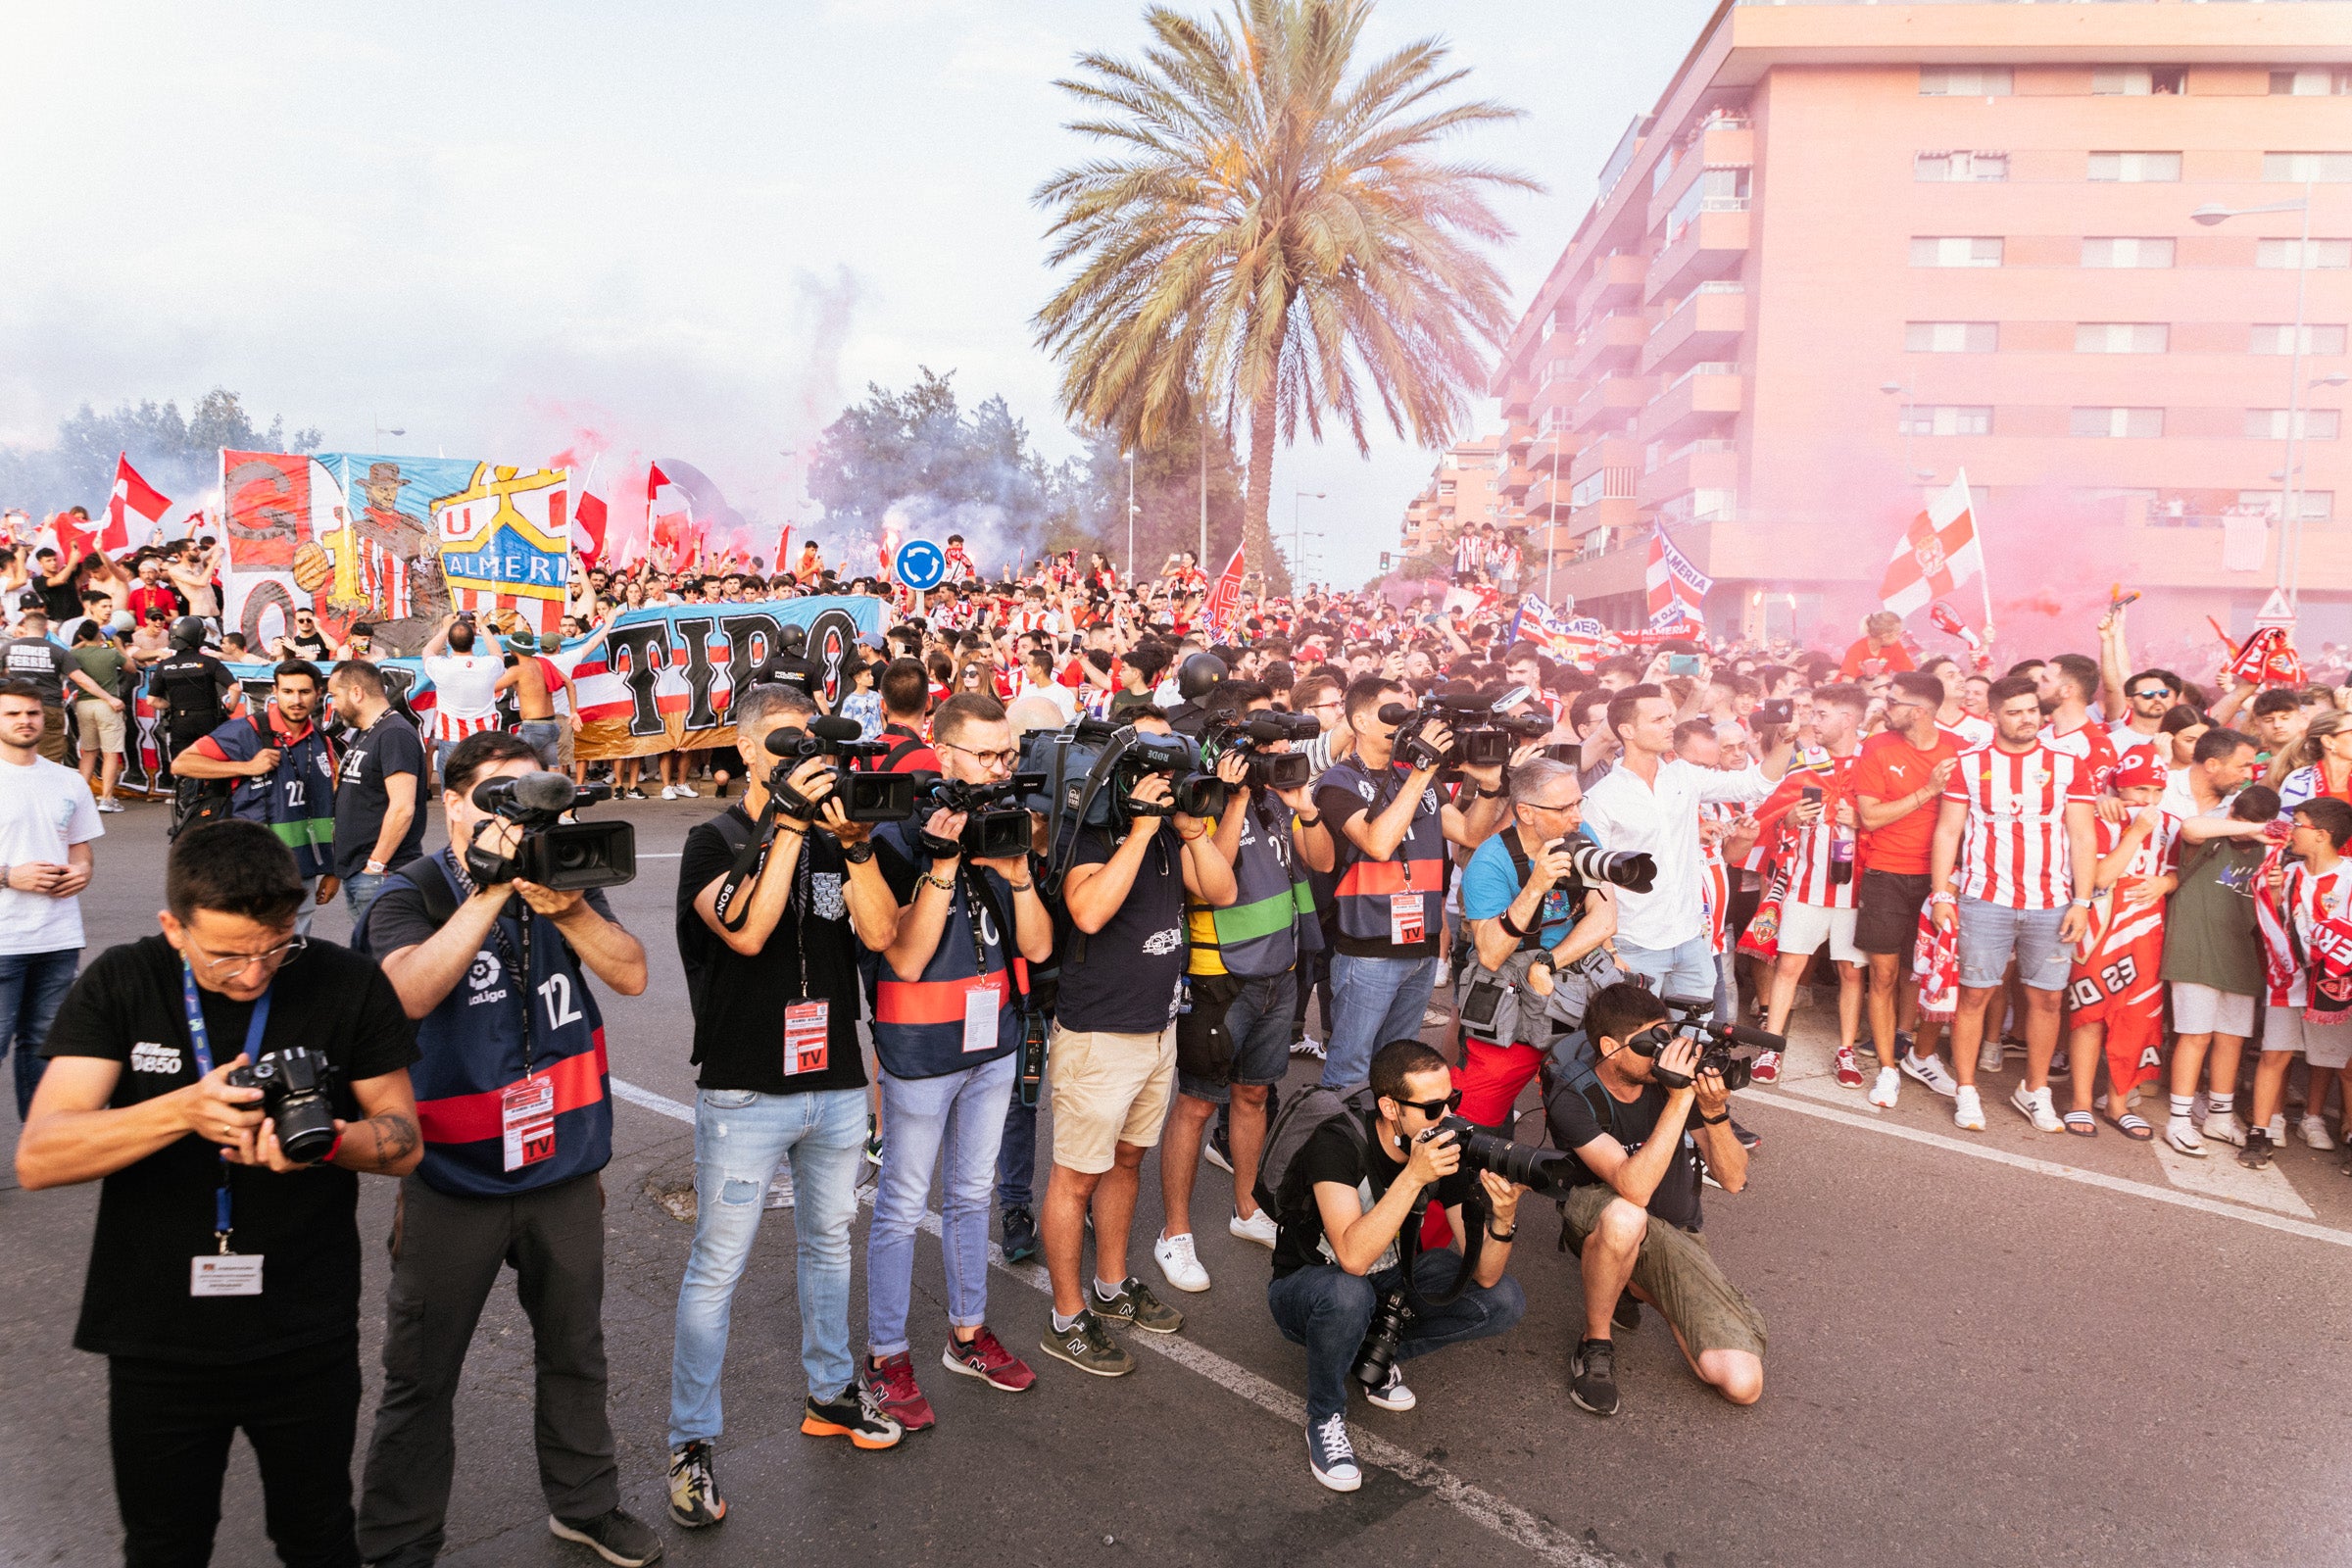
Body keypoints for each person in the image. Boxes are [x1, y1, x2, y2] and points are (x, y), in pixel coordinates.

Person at [17, 819, 421, 1568]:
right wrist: (182, 1110)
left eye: (274, 945)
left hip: (305, 1326)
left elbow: (403, 1138)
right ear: (174, 928)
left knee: (320, 1535)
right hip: (156, 1330)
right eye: (227, 954)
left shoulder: (342, 980)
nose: (253, 972)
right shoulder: (123, 979)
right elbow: (41, 1155)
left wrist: (330, 1142)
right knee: (165, 1544)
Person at [354, 731, 661, 1568]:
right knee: (422, 1374)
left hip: (561, 1168)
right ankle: (398, 1544)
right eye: (501, 798)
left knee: (576, 1350)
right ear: (452, 804)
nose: (525, 818)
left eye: (537, 797)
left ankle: (586, 1506)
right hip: (450, 1179)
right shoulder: (408, 892)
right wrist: (488, 891)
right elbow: (405, 993)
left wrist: (567, 908)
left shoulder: (564, 876)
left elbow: (631, 973)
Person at [668, 684, 907, 1530]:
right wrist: (792, 824)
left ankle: (832, 1394)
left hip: (836, 1081)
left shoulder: (839, 836)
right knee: (717, 1269)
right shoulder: (711, 840)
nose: (799, 755)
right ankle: (690, 1444)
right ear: (742, 752)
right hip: (743, 1090)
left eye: (808, 740)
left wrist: (853, 845)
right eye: (779, 743)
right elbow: (747, 930)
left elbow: (881, 937)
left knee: (828, 1247)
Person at [858, 693, 1053, 1431]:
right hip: (919, 1046)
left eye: (1010, 754)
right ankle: (885, 1354)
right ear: (943, 754)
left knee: (972, 1195)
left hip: (993, 1039)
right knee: (904, 1205)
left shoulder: (1003, 826)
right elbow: (901, 955)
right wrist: (944, 862)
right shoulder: (897, 831)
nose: (1004, 769)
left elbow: (1036, 947)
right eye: (988, 755)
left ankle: (967, 1333)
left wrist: (1019, 872)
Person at [1036, 725, 1237, 1378]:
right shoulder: (1091, 834)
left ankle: (1113, 1285)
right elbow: (1089, 913)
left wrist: (1190, 830)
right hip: (1098, 1034)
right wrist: (1143, 831)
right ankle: (1066, 1316)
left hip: (1155, 1030)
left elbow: (1222, 891)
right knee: (1076, 1177)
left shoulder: (1169, 836)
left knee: (1127, 1161)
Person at [1264, 1037, 1527, 1491]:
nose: (1445, 1117)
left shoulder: (1442, 1147)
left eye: (1452, 1101)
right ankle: (1324, 1415)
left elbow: (1484, 1273)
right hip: (1308, 1289)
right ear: (1390, 1107)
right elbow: (1351, 1257)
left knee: (1502, 1300)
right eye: (1432, 1108)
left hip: (1388, 1279)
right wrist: (1414, 1176)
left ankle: (1370, 1353)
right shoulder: (1338, 1141)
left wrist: (1503, 1220)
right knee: (1350, 1293)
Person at [1156, 697, 1333, 1292]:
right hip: (1219, 976)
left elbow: (1324, 859)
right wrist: (1234, 799)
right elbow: (1217, 883)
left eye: (1286, 753)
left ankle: (1248, 1210)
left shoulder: (1281, 798)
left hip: (1279, 974)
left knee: (1254, 1095)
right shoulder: (1203, 799)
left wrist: (1304, 807)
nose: (1281, 763)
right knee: (1198, 1104)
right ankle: (1173, 1235)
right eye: (1269, 754)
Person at [1548, 982, 1765, 1418]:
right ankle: (1596, 1344)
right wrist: (1680, 1098)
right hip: (1603, 1214)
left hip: (1675, 1232)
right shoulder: (1573, 1097)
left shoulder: (1668, 1084)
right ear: (1610, 1046)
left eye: (1666, 1037)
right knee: (1627, 1216)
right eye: (1650, 1043)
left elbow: (1734, 1178)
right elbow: (1634, 1188)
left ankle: (1632, 1283)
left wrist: (1715, 1112)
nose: (1661, 1054)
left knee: (1742, 1383)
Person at [1310, 677, 1512, 1092]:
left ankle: (1386, 1151)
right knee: (1349, 1071)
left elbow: (1471, 834)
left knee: (1397, 1069)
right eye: (1393, 714)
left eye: (1408, 713)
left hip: (1420, 948)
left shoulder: (1416, 775)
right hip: (1368, 952)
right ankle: (1334, 1152)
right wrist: (1422, 771)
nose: (1404, 723)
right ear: (1361, 720)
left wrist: (1491, 786)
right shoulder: (1338, 781)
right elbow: (1379, 843)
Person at [1927, 675, 2098, 1135]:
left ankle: (2034, 1090)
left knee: (2046, 999)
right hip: (1985, 899)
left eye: (2032, 711)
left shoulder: (2068, 764)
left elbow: (2083, 836)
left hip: (2053, 902)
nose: (2026, 720)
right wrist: (1942, 892)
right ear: (1994, 716)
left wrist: (2082, 900)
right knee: (1975, 995)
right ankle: (1966, 1090)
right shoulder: (1967, 763)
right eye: (2014, 711)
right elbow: (1948, 832)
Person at [1581, 684, 1788, 1001]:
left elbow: (1754, 784)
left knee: (1695, 1041)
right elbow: (1595, 880)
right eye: (1659, 719)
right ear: (1627, 730)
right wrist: (1609, 949)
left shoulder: (1684, 776)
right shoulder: (1601, 798)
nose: (1670, 725)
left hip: (1691, 939)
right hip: (1634, 945)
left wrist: (1786, 740)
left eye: (1669, 717)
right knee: (1638, 1043)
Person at [1455, 757, 1618, 1129]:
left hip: (1570, 979)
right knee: (1472, 1116)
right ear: (1526, 812)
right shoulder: (1489, 861)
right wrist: (1535, 886)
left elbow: (1605, 917)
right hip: (1509, 995)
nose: (1577, 816)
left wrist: (1548, 962)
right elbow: (1492, 954)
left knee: (1598, 1095)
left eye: (1579, 803)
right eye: (1564, 808)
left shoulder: (1580, 833)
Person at [1851, 671, 1963, 1107]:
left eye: (1893, 701)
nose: (1884, 706)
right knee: (1883, 975)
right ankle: (1886, 1068)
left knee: (1930, 974)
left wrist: (1950, 882)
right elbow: (1871, 817)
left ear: (1919, 711)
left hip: (1940, 879)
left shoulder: (1959, 751)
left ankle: (1921, 1054)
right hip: (1885, 873)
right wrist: (1927, 790)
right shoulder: (1878, 746)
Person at [1752, 683, 1869, 1087]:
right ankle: (1771, 1044)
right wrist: (1789, 820)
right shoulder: (1803, 765)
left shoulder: (1872, 764)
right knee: (1789, 967)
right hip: (1805, 884)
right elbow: (1768, 819)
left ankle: (1846, 1050)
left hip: (1857, 892)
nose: (1811, 721)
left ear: (1848, 719)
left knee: (1852, 973)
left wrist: (1863, 822)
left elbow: (1894, 820)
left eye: (1821, 714)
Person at [171, 661, 341, 935]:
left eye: (304, 692)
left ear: (318, 693)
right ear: (275, 691)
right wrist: (246, 767)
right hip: (252, 868)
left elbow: (326, 807)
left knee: (295, 954)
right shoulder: (245, 731)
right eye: (287, 692)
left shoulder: (321, 740)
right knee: (254, 950)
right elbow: (182, 764)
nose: (296, 700)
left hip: (303, 871)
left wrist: (333, 869)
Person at [0, 678, 103, 1119]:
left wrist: (80, 874)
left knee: (45, 1047)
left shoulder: (68, 780)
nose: (25, 721)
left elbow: (81, 852)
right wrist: (9, 875)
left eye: (32, 713)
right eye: (13, 713)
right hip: (4, 940)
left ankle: (43, 1143)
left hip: (58, 937)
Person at [2246, 796, 2352, 1167]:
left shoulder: (2350, 875)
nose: (2291, 831)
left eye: (2299, 824)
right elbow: (2274, 923)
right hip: (2289, 978)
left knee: (2344, 1064)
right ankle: (2259, 1134)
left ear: (2322, 834)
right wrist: (2273, 891)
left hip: (2335, 984)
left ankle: (2344, 1134)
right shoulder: (2288, 872)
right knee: (2274, 1053)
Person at [325, 661, 425, 921]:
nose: (333, 705)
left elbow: (403, 808)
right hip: (361, 870)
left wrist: (376, 866)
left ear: (357, 693)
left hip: (381, 873)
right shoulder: (366, 732)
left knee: (385, 958)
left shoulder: (394, 734)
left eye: (335, 695)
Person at [7, 604, 120, 762]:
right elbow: (81, 679)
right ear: (46, 628)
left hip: (14, 710)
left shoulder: (7, 649)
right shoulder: (58, 651)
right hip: (49, 707)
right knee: (49, 761)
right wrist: (110, 698)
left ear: (24, 627)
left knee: (14, 758)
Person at [417, 613, 505, 783]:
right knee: (480, 788)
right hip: (483, 738)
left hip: (451, 739)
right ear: (474, 641)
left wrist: (445, 628)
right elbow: (497, 653)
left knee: (453, 792)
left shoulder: (441, 667)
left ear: (449, 643)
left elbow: (427, 651)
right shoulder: (488, 666)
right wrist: (483, 626)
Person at [68, 618, 130, 811]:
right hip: (108, 704)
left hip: (84, 705)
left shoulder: (75, 654)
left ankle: (79, 798)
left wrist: (83, 640)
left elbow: (69, 652)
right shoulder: (110, 654)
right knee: (110, 753)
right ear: (99, 634)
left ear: (80, 636)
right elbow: (131, 667)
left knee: (89, 751)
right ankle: (107, 798)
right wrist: (118, 645)